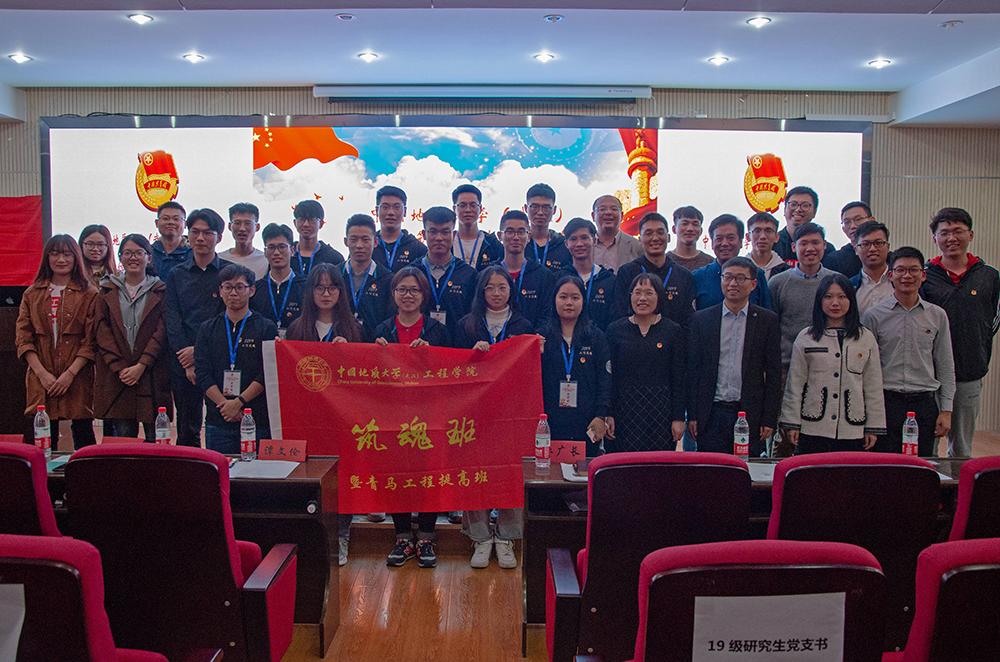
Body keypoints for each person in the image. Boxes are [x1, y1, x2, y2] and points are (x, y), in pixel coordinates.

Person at [453, 266, 534, 570]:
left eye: (502, 287)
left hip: (512, 411)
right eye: (490, 287)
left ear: (511, 290)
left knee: (509, 470)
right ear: (481, 291)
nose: (496, 293)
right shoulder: (466, 325)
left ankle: (507, 537)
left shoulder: (524, 325)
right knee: (475, 470)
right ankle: (480, 537)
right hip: (474, 411)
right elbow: (451, 369)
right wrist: (471, 356)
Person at [285, 264, 364, 567]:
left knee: (341, 477)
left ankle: (341, 535)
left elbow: (363, 377)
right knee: (310, 477)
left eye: (332, 287)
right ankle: (312, 536)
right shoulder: (297, 328)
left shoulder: (353, 328)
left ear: (341, 292)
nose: (326, 293)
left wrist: (349, 352)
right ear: (310, 292)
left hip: (343, 419)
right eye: (320, 287)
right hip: (307, 418)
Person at [373, 267, 449, 568]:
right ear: (393, 294)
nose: (408, 295)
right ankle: (402, 537)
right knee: (397, 474)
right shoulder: (381, 330)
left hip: (429, 414)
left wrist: (432, 354)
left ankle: (427, 537)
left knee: (429, 474)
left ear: (423, 295)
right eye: (402, 289)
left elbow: (452, 371)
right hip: (392, 414)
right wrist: (375, 353)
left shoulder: (437, 330)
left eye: (414, 290)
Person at [921, 207, 1000, 457]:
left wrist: (977, 342)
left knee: (962, 446)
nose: (951, 238)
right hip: (930, 373)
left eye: (958, 231)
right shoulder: (925, 276)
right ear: (934, 238)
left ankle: (959, 483)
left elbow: (993, 319)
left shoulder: (989, 276)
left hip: (969, 371)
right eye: (944, 233)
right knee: (928, 443)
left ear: (971, 235)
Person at [862, 247, 955, 456]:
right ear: (890, 276)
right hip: (886, 403)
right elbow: (866, 368)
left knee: (922, 466)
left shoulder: (937, 315)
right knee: (885, 465)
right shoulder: (873, 316)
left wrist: (946, 410)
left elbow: (945, 365)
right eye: (900, 270)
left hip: (924, 403)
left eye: (913, 270)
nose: (907, 276)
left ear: (923, 275)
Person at [781, 275, 886, 454]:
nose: (835, 303)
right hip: (812, 426)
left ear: (851, 300)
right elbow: (795, 384)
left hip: (853, 427)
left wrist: (873, 426)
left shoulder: (865, 338)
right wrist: (792, 423)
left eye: (842, 296)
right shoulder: (806, 337)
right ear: (819, 301)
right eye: (828, 297)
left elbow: (873, 386)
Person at [687, 257, 781, 457]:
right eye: (727, 277)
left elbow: (773, 373)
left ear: (753, 284)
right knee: (711, 469)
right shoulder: (702, 320)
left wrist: (768, 418)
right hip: (711, 413)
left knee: (747, 470)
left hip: (749, 414)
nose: (732, 283)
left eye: (740, 278)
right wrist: (693, 414)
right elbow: (694, 370)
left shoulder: (767, 321)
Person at [15, 235, 98, 449]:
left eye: (67, 254)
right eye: (55, 254)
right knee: (41, 440)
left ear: (76, 257)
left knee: (83, 434)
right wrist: (42, 374)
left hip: (77, 375)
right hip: (41, 375)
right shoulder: (32, 293)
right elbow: (24, 339)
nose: (61, 259)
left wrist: (69, 375)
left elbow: (91, 341)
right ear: (47, 257)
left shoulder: (89, 293)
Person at [93, 234, 170, 441]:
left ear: (149, 258)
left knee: (156, 439)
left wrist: (142, 364)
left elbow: (162, 332)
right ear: (120, 257)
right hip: (119, 375)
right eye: (127, 253)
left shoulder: (161, 290)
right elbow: (101, 331)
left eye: (139, 253)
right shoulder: (107, 290)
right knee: (124, 441)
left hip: (151, 373)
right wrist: (121, 368)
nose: (133, 258)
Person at [164, 208, 231, 446]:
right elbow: (172, 318)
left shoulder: (229, 273)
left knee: (221, 422)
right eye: (195, 232)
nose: (201, 238)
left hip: (219, 358)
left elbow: (227, 317)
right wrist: (188, 360)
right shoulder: (176, 275)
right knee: (187, 426)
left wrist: (199, 352)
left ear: (219, 237)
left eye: (208, 233)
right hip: (184, 362)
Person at [194, 263, 277, 454]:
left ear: (251, 290)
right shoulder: (207, 328)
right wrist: (225, 405)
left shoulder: (266, 327)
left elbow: (267, 372)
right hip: (218, 418)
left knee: (257, 472)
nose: (233, 293)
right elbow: (202, 372)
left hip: (256, 418)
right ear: (220, 291)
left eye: (240, 287)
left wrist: (239, 402)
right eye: (228, 287)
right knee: (221, 470)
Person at [605, 273, 687, 452]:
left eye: (649, 293)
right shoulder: (614, 330)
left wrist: (678, 417)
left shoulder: (673, 331)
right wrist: (608, 413)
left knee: (657, 464)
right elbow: (609, 377)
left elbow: (679, 378)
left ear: (659, 297)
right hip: (623, 411)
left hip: (661, 413)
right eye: (637, 292)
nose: (642, 298)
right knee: (622, 464)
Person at [540, 275, 611, 454]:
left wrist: (601, 415)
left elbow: (605, 380)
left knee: (584, 469)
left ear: (583, 301)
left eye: (575, 297)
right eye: (563, 297)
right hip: (550, 421)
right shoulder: (542, 337)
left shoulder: (596, 337)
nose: (569, 303)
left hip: (587, 421)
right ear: (554, 299)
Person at [768, 222, 838, 372]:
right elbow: (771, 328)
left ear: (824, 245)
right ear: (794, 247)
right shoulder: (777, 283)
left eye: (815, 243)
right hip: (787, 366)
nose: (810, 248)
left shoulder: (837, 282)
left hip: (829, 365)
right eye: (804, 243)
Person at [613, 212, 695, 327]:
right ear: (640, 239)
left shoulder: (684, 276)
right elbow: (620, 315)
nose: (655, 238)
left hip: (674, 337)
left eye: (660, 233)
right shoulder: (627, 273)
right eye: (648, 233)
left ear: (669, 237)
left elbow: (688, 320)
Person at [419, 206, 477, 338]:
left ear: (454, 235)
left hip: (457, 346)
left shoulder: (469, 274)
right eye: (433, 232)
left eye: (445, 232)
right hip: (420, 346)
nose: (439, 238)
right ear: (423, 235)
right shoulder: (413, 272)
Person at [692, 214, 771, 310]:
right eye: (719, 239)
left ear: (741, 242)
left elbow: (766, 314)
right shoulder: (698, 277)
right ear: (712, 243)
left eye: (730, 238)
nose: (724, 243)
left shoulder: (756, 274)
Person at [495, 209, 555, 328]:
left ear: (529, 236)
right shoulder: (488, 274)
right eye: (510, 232)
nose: (516, 237)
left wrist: (534, 336)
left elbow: (547, 316)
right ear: (500, 236)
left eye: (521, 232)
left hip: (532, 338)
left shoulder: (544, 276)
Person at [558, 218, 616, 330]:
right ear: (566, 244)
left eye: (584, 238)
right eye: (573, 239)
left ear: (594, 240)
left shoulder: (610, 280)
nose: (579, 244)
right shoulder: (558, 279)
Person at [340, 213, 393, 334]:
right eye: (353, 239)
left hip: (374, 343)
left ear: (375, 242)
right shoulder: (335, 275)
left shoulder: (387, 279)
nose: (359, 245)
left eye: (365, 240)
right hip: (338, 342)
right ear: (346, 241)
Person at [249, 223, 304, 339]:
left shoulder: (306, 286)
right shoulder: (255, 289)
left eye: (282, 247)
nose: (276, 253)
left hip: (296, 347)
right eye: (271, 247)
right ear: (265, 252)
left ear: (292, 250)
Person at [774, 186, 836, 263]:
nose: (798, 209)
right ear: (784, 210)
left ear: (814, 212)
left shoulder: (825, 249)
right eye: (793, 204)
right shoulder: (772, 244)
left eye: (805, 205)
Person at [373, 185, 426, 272]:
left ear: (405, 211)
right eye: (385, 207)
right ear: (376, 211)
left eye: (397, 207)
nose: (390, 212)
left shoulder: (418, 249)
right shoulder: (368, 245)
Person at [452, 183, 502, 270]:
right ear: (454, 209)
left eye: (473, 205)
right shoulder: (447, 243)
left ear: (480, 209)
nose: (468, 210)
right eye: (462, 205)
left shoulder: (492, 244)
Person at [290, 199, 345, 277]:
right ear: (295, 223)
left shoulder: (334, 258)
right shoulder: (286, 254)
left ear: (321, 224)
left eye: (311, 219)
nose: (306, 224)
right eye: (302, 219)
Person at [524, 183, 571, 272]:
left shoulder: (564, 244)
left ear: (554, 210)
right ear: (526, 208)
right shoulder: (518, 243)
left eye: (546, 207)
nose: (540, 212)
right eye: (534, 206)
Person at [849, 221, 893, 314]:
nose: (872, 249)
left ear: (888, 247)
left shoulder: (901, 282)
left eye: (878, 243)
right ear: (856, 249)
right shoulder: (849, 287)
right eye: (865, 244)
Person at [592, 194, 642, 272]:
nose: (608, 212)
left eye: (614, 209)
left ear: (622, 215)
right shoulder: (585, 245)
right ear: (593, 216)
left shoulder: (636, 246)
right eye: (602, 209)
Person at [218, 202, 268, 279]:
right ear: (229, 226)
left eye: (248, 223)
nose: (242, 228)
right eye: (237, 223)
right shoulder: (219, 259)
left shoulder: (266, 261)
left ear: (257, 227)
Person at [822, 202, 872, 277]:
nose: (853, 226)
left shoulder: (885, 256)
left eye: (858, 219)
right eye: (847, 222)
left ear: (871, 221)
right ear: (843, 229)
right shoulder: (833, 260)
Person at [151, 201, 191, 280]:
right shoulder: (148, 253)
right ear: (156, 223)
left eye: (176, 219)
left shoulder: (193, 254)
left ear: (185, 224)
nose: (171, 222)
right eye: (166, 218)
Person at [667, 205, 714, 272]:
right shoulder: (664, 261)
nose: (690, 229)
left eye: (695, 224)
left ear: (701, 231)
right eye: (685, 224)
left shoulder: (710, 263)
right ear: (674, 229)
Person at [746, 212, 790, 280]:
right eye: (757, 231)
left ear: (777, 237)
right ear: (748, 236)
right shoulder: (739, 268)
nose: (762, 236)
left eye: (768, 231)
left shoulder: (786, 272)